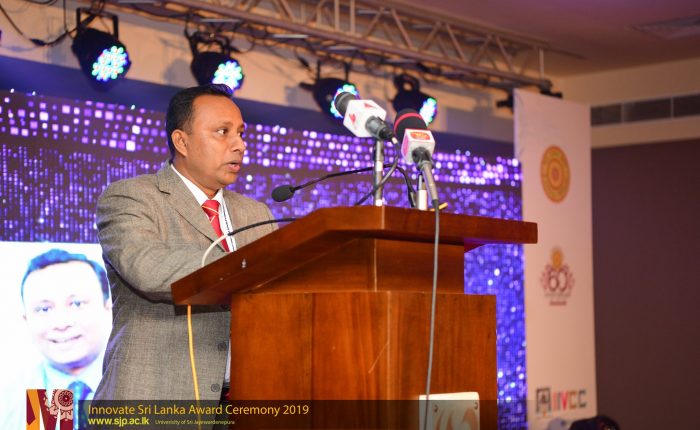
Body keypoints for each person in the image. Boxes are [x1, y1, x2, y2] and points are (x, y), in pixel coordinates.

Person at [93, 84, 276, 403]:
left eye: (241, 133)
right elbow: (147, 268)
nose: (240, 145)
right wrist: (247, 264)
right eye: (223, 132)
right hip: (156, 399)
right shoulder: (131, 196)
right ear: (182, 141)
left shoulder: (256, 213)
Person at [0, 248, 112, 429]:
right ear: (26, 320)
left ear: (108, 308)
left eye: (76, 304)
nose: (61, 323)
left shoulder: (151, 386)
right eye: (44, 309)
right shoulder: (7, 404)